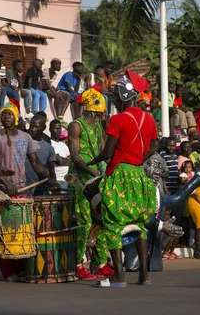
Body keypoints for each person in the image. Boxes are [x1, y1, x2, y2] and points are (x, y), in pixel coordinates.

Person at [88, 70, 156, 287]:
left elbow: (108, 153)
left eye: (116, 97)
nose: (115, 101)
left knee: (112, 223)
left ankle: (118, 277)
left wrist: (93, 161)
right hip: (139, 174)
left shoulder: (117, 119)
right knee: (139, 224)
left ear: (126, 96)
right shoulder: (150, 118)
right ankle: (144, 276)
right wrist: (137, 159)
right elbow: (154, 146)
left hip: (120, 175)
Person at [0, 100, 48, 279]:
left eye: (10, 114)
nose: (6, 116)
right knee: (6, 233)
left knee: (23, 232)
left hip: (23, 189)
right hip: (2, 189)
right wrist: (6, 183)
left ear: (16, 117)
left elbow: (35, 162)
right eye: (4, 113)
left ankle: (22, 269)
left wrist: (46, 178)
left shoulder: (25, 137)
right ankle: (8, 272)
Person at [68, 85, 112, 280]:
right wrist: (94, 172)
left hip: (96, 179)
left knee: (101, 222)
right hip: (80, 180)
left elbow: (103, 151)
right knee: (84, 222)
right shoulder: (75, 125)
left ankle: (101, 263)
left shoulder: (98, 127)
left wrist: (111, 168)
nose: (101, 115)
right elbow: (75, 156)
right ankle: (78, 265)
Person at [25, 115, 58, 195]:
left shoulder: (49, 148)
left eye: (36, 127)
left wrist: (53, 184)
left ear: (43, 127)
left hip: (39, 188)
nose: (32, 129)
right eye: (31, 126)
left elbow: (51, 170)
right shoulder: (22, 144)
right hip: (23, 187)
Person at [48, 119, 70, 187]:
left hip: (67, 179)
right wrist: (67, 159)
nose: (58, 131)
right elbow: (60, 161)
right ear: (50, 130)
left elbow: (71, 160)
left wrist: (66, 160)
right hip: (57, 180)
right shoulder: (49, 143)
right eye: (55, 128)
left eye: (59, 128)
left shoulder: (63, 144)